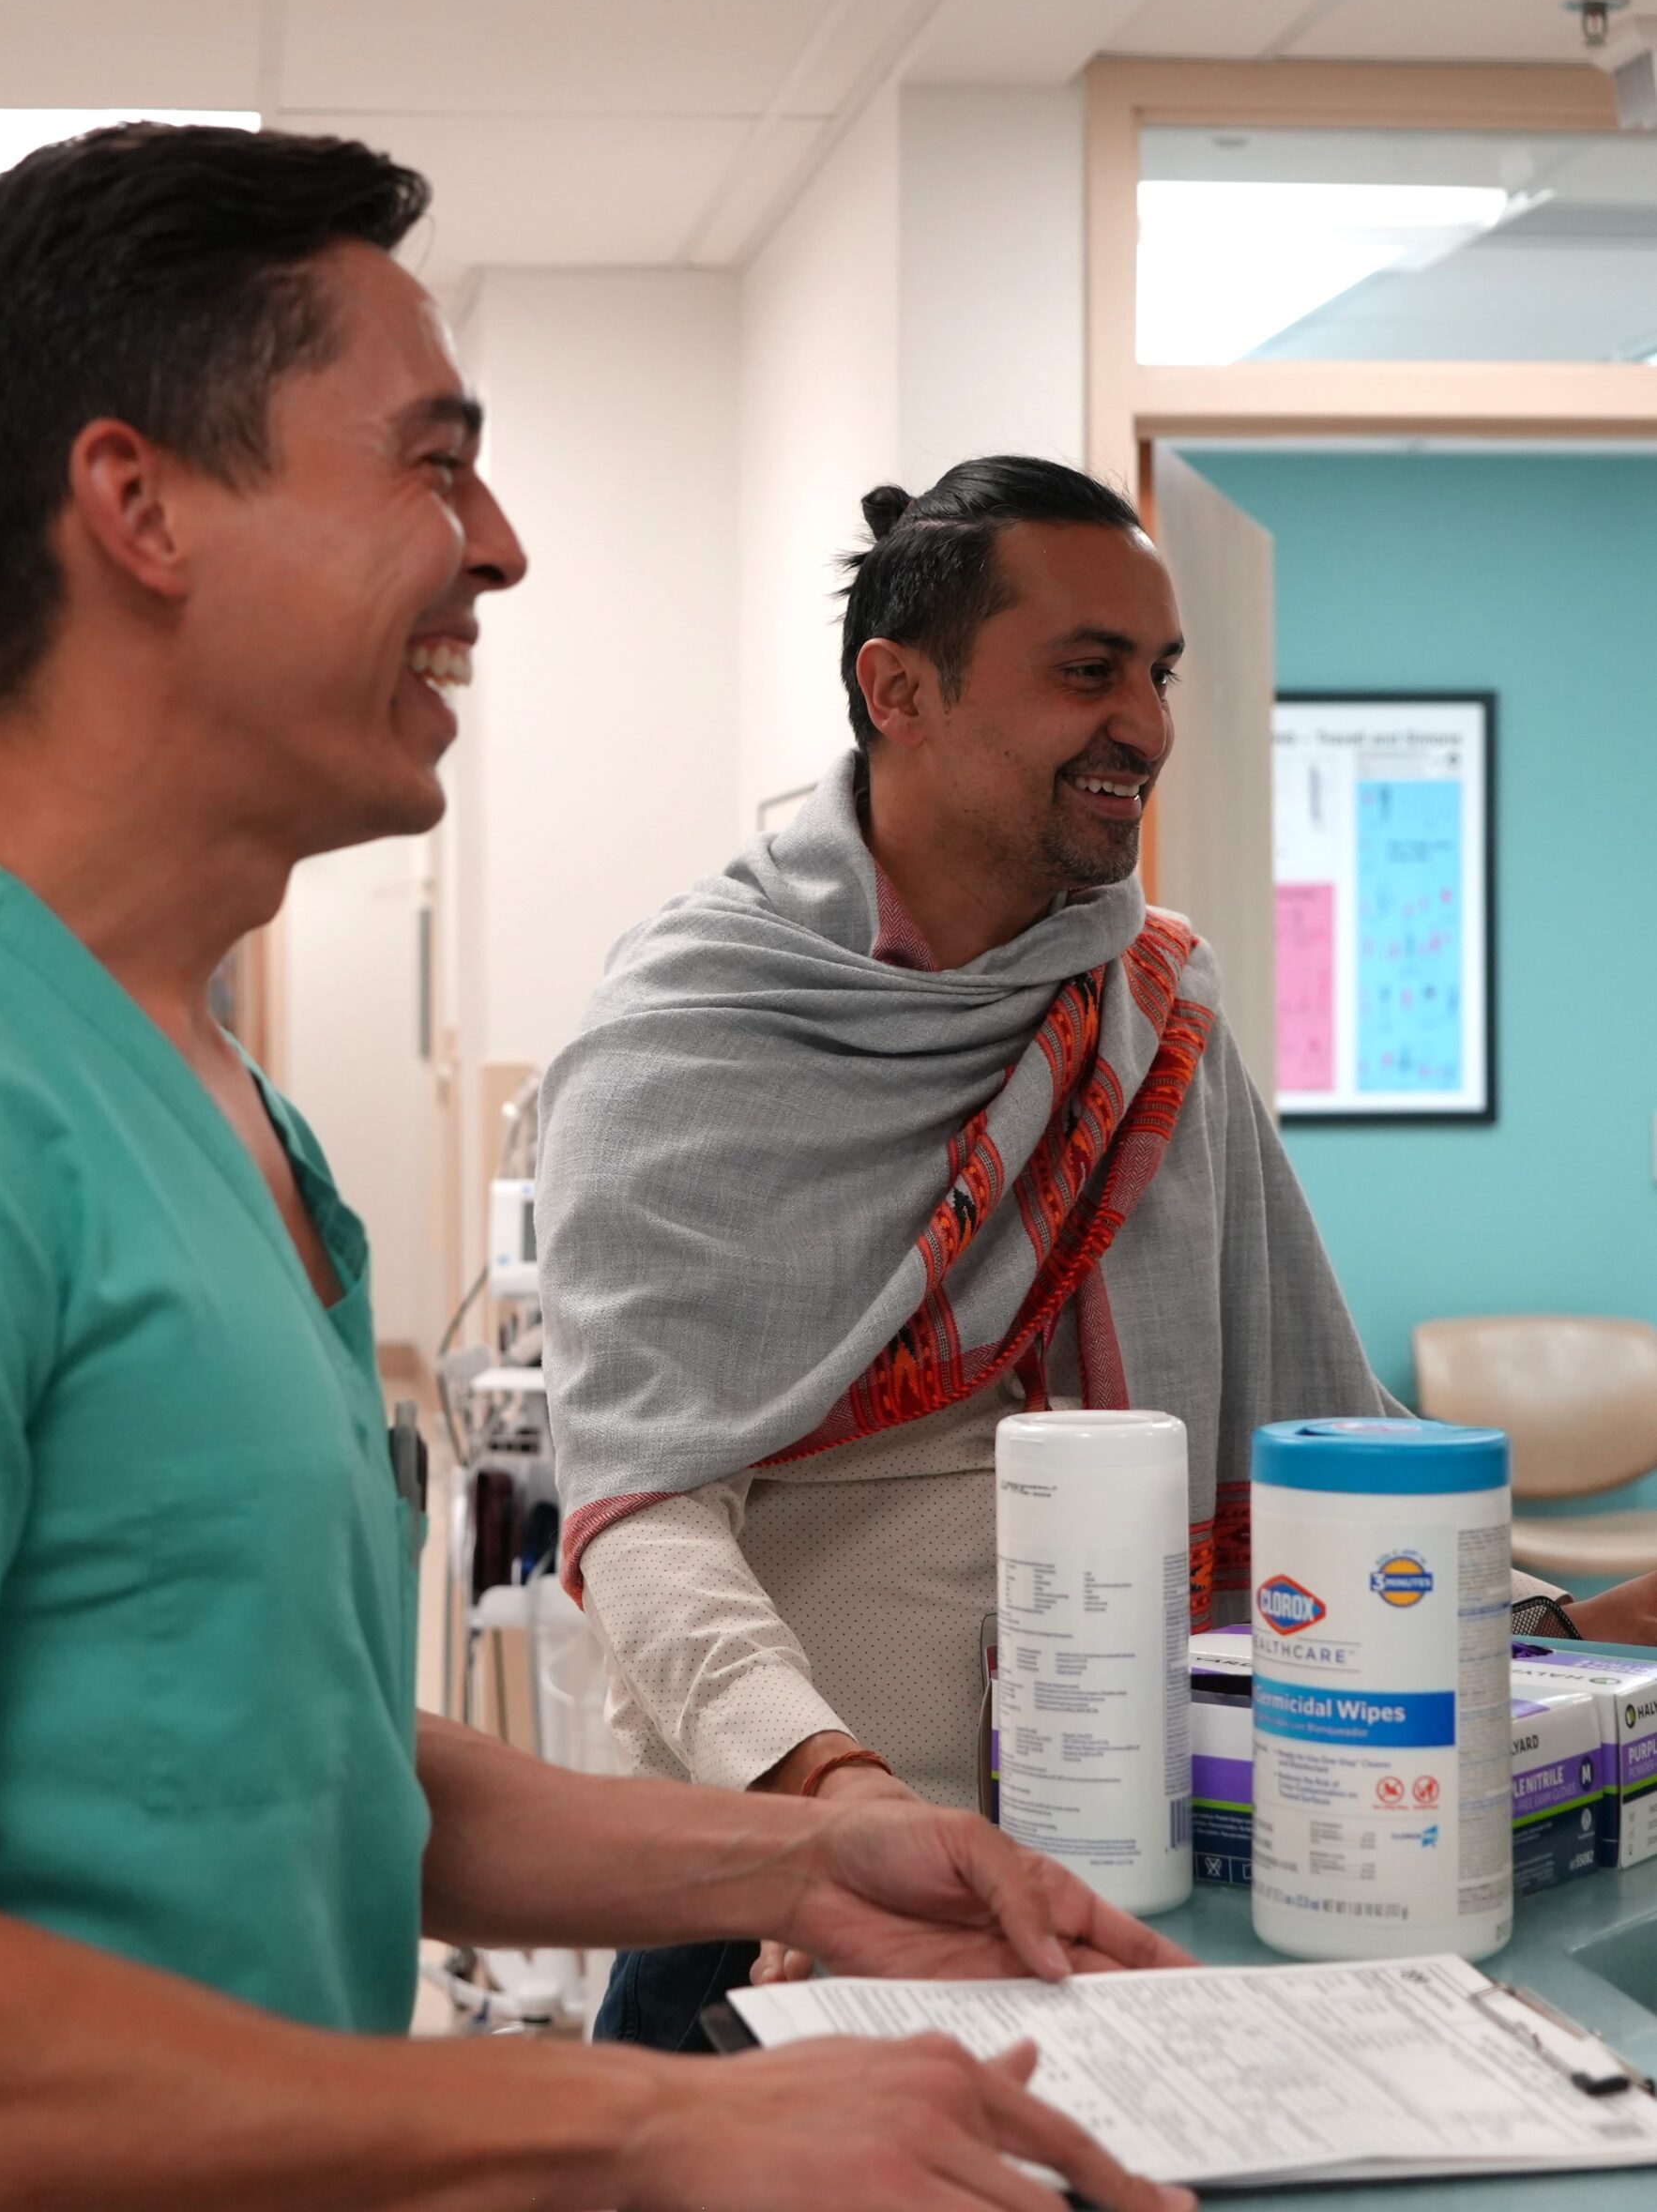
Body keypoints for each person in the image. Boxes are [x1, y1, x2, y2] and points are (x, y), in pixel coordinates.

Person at [0, 136, 1195, 2212]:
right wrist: (664, 2119)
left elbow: (283, 1762)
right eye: (430, 462)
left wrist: (809, 1849)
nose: (495, 547)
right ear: (135, 504)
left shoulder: (210, 1096)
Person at [537, 460, 1657, 2052]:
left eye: (1158, 671)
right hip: (797, 1907)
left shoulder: (1150, 1013)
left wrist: (1559, 1623)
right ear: (896, 689)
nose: (1145, 721)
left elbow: (1320, 1452)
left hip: (1142, 1893)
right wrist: (831, 1805)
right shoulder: (688, 1036)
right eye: (1086, 670)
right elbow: (641, 1510)